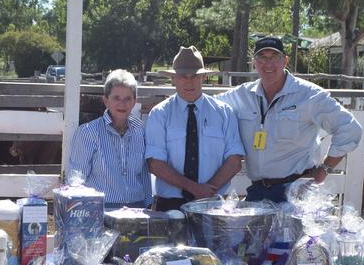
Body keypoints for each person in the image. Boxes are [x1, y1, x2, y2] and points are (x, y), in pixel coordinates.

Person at [217, 36, 362, 202]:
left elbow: (350, 129)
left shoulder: (309, 95)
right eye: (262, 58)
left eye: (275, 57)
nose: (268, 64)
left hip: (297, 192)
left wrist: (325, 169)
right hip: (257, 192)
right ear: (253, 63)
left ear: (285, 61)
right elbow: (209, 106)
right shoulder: (242, 95)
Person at [145, 46, 245, 211]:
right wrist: (196, 188)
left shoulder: (224, 112)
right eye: (183, 76)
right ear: (174, 79)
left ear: (203, 77)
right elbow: (155, 164)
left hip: (213, 203)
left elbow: (234, 161)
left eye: (195, 76)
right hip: (171, 205)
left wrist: (208, 189)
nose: (189, 81)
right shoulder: (160, 114)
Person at [67, 69, 152, 209]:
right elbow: (77, 176)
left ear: (134, 102)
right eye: (116, 98)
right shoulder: (88, 132)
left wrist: (148, 205)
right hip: (101, 209)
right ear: (105, 101)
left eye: (127, 99)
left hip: (136, 209)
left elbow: (144, 174)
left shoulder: (140, 131)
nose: (122, 104)